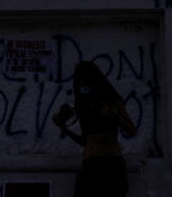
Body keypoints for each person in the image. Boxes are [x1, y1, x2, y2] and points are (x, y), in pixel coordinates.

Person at [52, 61, 136, 197]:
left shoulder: (112, 102)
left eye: (85, 80)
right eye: (80, 81)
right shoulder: (84, 107)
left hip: (110, 165)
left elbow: (132, 130)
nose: (83, 84)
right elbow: (86, 141)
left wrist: (114, 116)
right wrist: (63, 127)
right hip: (90, 165)